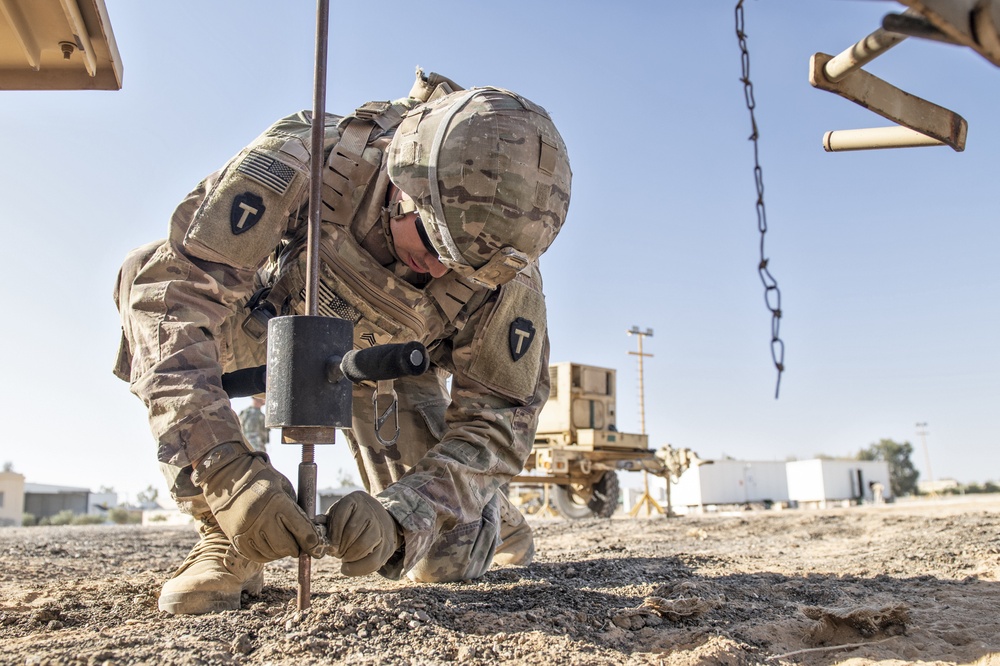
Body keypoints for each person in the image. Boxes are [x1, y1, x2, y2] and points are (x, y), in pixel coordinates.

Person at [113, 68, 572, 615]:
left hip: (392, 372)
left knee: (445, 560)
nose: (439, 267)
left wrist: (405, 514)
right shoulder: (308, 155)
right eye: (430, 238)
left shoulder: (507, 272)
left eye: (461, 263)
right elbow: (175, 296)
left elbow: (501, 416)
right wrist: (226, 474)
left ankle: (483, 503)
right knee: (144, 273)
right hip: (269, 334)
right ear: (403, 181)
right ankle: (224, 535)